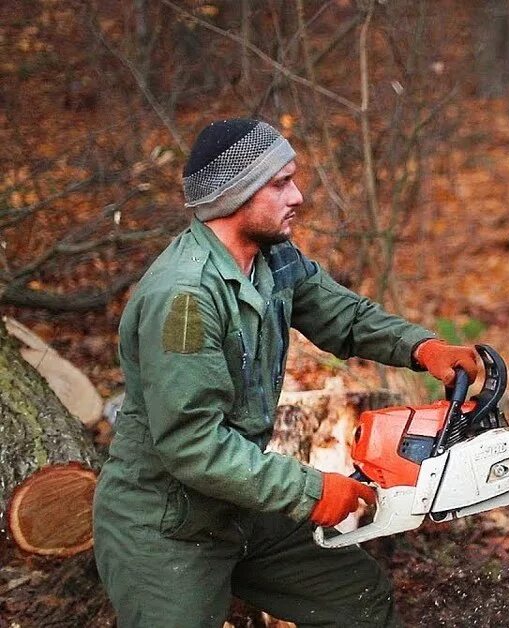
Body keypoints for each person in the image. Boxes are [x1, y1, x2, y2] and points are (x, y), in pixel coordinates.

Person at [92, 118, 481, 627]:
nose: (297, 195)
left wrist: (422, 347)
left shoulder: (273, 258)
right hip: (167, 520)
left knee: (355, 600)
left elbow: (342, 315)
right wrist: (311, 490)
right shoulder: (184, 297)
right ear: (234, 195)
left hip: (238, 502)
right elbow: (193, 444)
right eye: (279, 184)